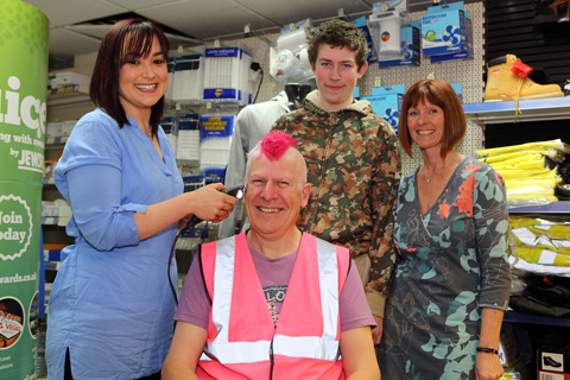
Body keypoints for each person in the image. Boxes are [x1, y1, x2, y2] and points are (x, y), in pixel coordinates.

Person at [45, 19, 237, 379]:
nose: (149, 73)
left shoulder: (158, 138)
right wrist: (187, 203)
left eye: (158, 61)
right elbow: (102, 228)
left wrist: (191, 212)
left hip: (150, 328)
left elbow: (147, 214)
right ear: (110, 70)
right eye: (133, 61)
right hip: (102, 333)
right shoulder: (97, 129)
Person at [162, 131, 380, 379]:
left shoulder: (336, 265)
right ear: (244, 190)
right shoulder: (210, 263)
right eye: (258, 181)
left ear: (305, 195)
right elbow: (176, 368)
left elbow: (365, 370)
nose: (268, 193)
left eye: (282, 183)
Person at [272, 18, 401, 344]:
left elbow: (386, 220)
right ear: (313, 66)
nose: (334, 75)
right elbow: (268, 202)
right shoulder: (287, 127)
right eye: (326, 64)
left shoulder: (378, 133)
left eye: (345, 66)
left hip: (352, 272)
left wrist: (375, 298)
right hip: (289, 268)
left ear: (361, 69)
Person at [378, 80, 511, 380]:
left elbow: (497, 271)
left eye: (432, 111)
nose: (422, 121)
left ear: (450, 115)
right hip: (399, 343)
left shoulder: (482, 181)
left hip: (457, 345)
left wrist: (488, 351)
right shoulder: (402, 189)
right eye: (413, 113)